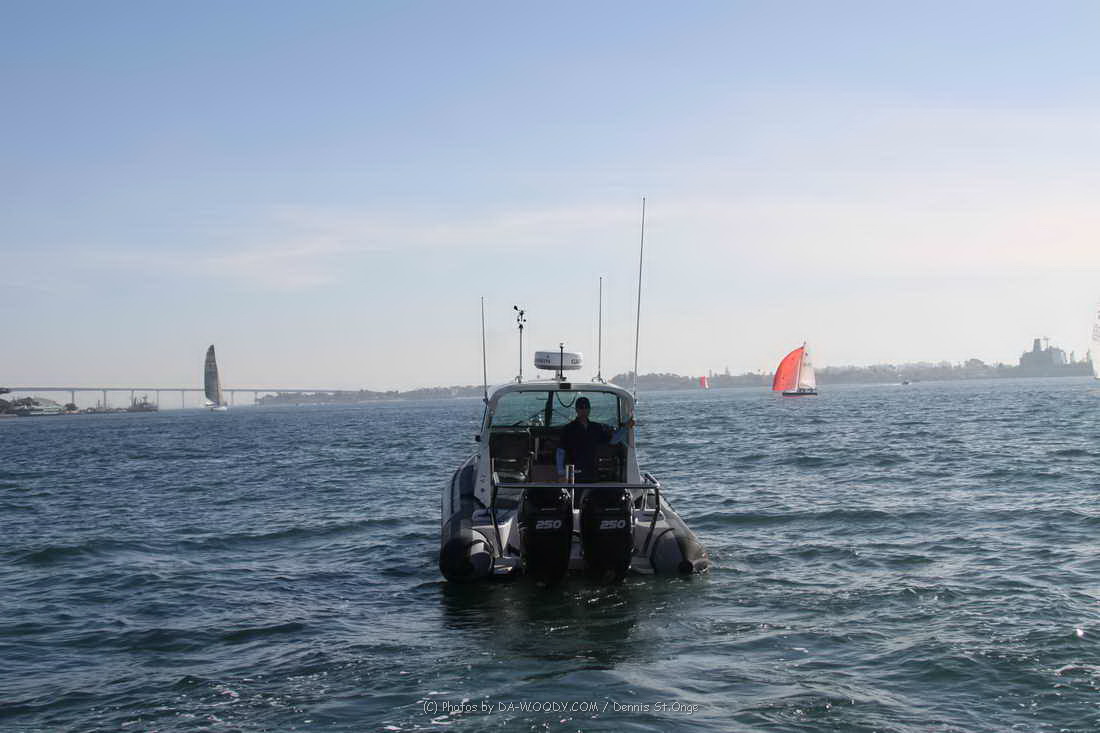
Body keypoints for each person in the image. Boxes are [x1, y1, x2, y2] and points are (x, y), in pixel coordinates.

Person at [556, 396, 635, 482]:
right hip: (574, 472)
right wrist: (561, 473)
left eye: (586, 407)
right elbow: (560, 451)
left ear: (589, 409)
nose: (583, 410)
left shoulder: (596, 428)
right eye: (581, 407)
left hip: (592, 471)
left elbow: (613, 440)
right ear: (576, 410)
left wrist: (626, 427)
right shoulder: (568, 429)